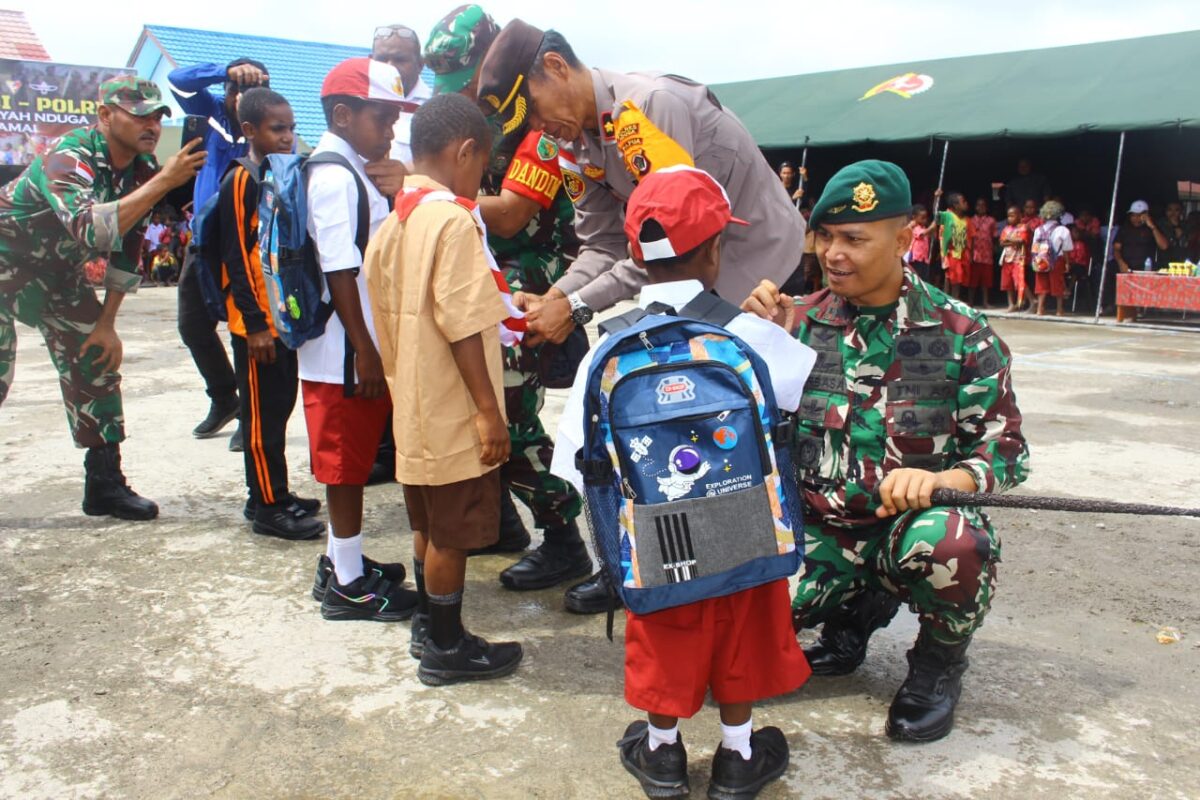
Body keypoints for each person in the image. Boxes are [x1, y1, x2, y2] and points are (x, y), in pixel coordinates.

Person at [743, 160, 1030, 743]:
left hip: (906, 530)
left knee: (956, 542)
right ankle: (854, 614)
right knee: (734, 649)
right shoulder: (798, 322)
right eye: (825, 236)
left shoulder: (960, 333)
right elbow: (750, 438)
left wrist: (950, 477)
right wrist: (756, 343)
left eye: (854, 239)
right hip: (819, 533)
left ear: (902, 240)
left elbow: (1007, 450)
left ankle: (937, 664)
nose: (833, 253)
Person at [553, 167, 812, 798]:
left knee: (665, 632)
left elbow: (576, 466)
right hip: (747, 523)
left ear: (635, 254)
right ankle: (738, 755)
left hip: (658, 533)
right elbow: (792, 417)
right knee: (743, 629)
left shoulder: (607, 349)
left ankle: (663, 754)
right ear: (717, 247)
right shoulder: (748, 334)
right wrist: (781, 329)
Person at [476, 21, 804, 352]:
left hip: (766, 264)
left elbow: (669, 242)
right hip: (702, 282)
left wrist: (575, 307)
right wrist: (553, 298)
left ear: (556, 66)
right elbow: (603, 244)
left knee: (770, 390)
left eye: (531, 110)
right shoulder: (570, 144)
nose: (537, 127)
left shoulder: (648, 107)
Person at [425, 5, 594, 609]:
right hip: (487, 284)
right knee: (482, 412)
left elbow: (517, 211)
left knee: (510, 425)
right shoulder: (482, 123)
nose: (464, 91)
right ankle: (508, 524)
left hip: (530, 290)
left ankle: (566, 536)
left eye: (467, 76)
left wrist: (428, 193)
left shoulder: (540, 127)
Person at [365, 92, 524, 684]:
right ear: (465, 152)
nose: (484, 177)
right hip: (453, 403)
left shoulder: (395, 220)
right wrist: (489, 412)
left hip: (412, 401)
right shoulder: (452, 221)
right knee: (454, 534)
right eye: (484, 164)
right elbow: (462, 325)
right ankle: (448, 648)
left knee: (427, 523)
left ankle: (428, 628)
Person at [0, 76, 206, 520]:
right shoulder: (69, 156)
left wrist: (107, 323)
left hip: (55, 274)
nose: (150, 124)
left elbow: (127, 248)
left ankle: (104, 483)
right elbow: (92, 230)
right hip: (3, 259)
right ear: (106, 115)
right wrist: (165, 181)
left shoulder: (142, 172)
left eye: (157, 116)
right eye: (139, 114)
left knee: (95, 358)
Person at [300, 57, 417, 621]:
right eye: (382, 117)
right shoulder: (333, 175)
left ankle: (341, 560)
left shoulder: (350, 166)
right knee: (344, 469)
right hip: (342, 354)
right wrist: (366, 351)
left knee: (350, 460)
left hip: (352, 347)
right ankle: (347, 586)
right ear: (343, 115)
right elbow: (338, 268)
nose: (391, 131)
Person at [215, 87, 325, 541]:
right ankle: (269, 507)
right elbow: (237, 258)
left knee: (279, 408)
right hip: (256, 324)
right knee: (260, 418)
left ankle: (268, 490)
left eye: (291, 128)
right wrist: (256, 324)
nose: (287, 137)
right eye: (277, 129)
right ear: (249, 130)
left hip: (281, 319)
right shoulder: (242, 179)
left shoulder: (279, 174)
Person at [169, 57, 271, 444]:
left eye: (249, 90)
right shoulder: (210, 113)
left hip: (244, 249)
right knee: (192, 326)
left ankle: (252, 413)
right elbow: (178, 79)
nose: (239, 96)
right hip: (201, 245)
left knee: (243, 332)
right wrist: (225, 70)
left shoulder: (267, 128)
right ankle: (225, 397)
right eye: (234, 89)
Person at [371, 23, 433, 165]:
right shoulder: (357, 105)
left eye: (400, 60)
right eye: (382, 59)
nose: (390, 66)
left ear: (420, 64)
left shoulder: (436, 109)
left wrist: (406, 176)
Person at [1031, 200, 1073, 317]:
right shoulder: (1063, 230)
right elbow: (1066, 249)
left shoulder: (1038, 230)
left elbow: (1034, 248)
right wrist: (1067, 263)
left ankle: (1040, 309)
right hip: (1057, 260)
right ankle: (1059, 310)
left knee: (1041, 284)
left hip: (1041, 259)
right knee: (1058, 283)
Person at [1114, 200, 1167, 274]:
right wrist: (1120, 262)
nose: (1135, 218)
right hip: (1127, 270)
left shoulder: (1153, 228)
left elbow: (1164, 246)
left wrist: (1152, 226)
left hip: (1146, 270)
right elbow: (1116, 248)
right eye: (1133, 215)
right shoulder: (1124, 229)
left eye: (1139, 215)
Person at [936, 191, 969, 297]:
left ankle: (953, 302)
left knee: (956, 279)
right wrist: (937, 198)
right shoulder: (948, 215)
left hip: (960, 254)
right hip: (950, 253)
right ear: (955, 205)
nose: (966, 203)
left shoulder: (964, 220)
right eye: (963, 202)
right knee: (951, 279)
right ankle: (951, 302)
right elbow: (936, 215)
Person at [999, 206, 1031, 311]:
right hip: (1007, 258)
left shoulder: (1023, 227)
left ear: (1019, 215)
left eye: (1012, 216)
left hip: (1018, 259)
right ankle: (1011, 304)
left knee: (1019, 281)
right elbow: (1001, 243)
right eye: (1008, 216)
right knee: (1007, 283)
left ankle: (1032, 301)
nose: (1010, 218)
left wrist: (1008, 239)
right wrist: (1013, 240)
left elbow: (1022, 241)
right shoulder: (1006, 228)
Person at [966, 198, 996, 308]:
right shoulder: (970, 220)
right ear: (975, 207)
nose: (981, 207)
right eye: (978, 205)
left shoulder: (991, 221)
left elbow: (994, 237)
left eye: (983, 205)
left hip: (987, 255)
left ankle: (985, 302)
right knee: (972, 281)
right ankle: (970, 302)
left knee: (986, 282)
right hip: (974, 255)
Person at [906, 204, 933, 283]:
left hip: (923, 259)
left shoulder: (924, 228)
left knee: (922, 279)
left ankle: (919, 295)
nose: (925, 220)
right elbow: (922, 234)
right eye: (922, 218)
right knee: (915, 279)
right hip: (916, 258)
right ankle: (912, 295)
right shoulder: (914, 227)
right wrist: (932, 226)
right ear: (914, 217)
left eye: (926, 218)